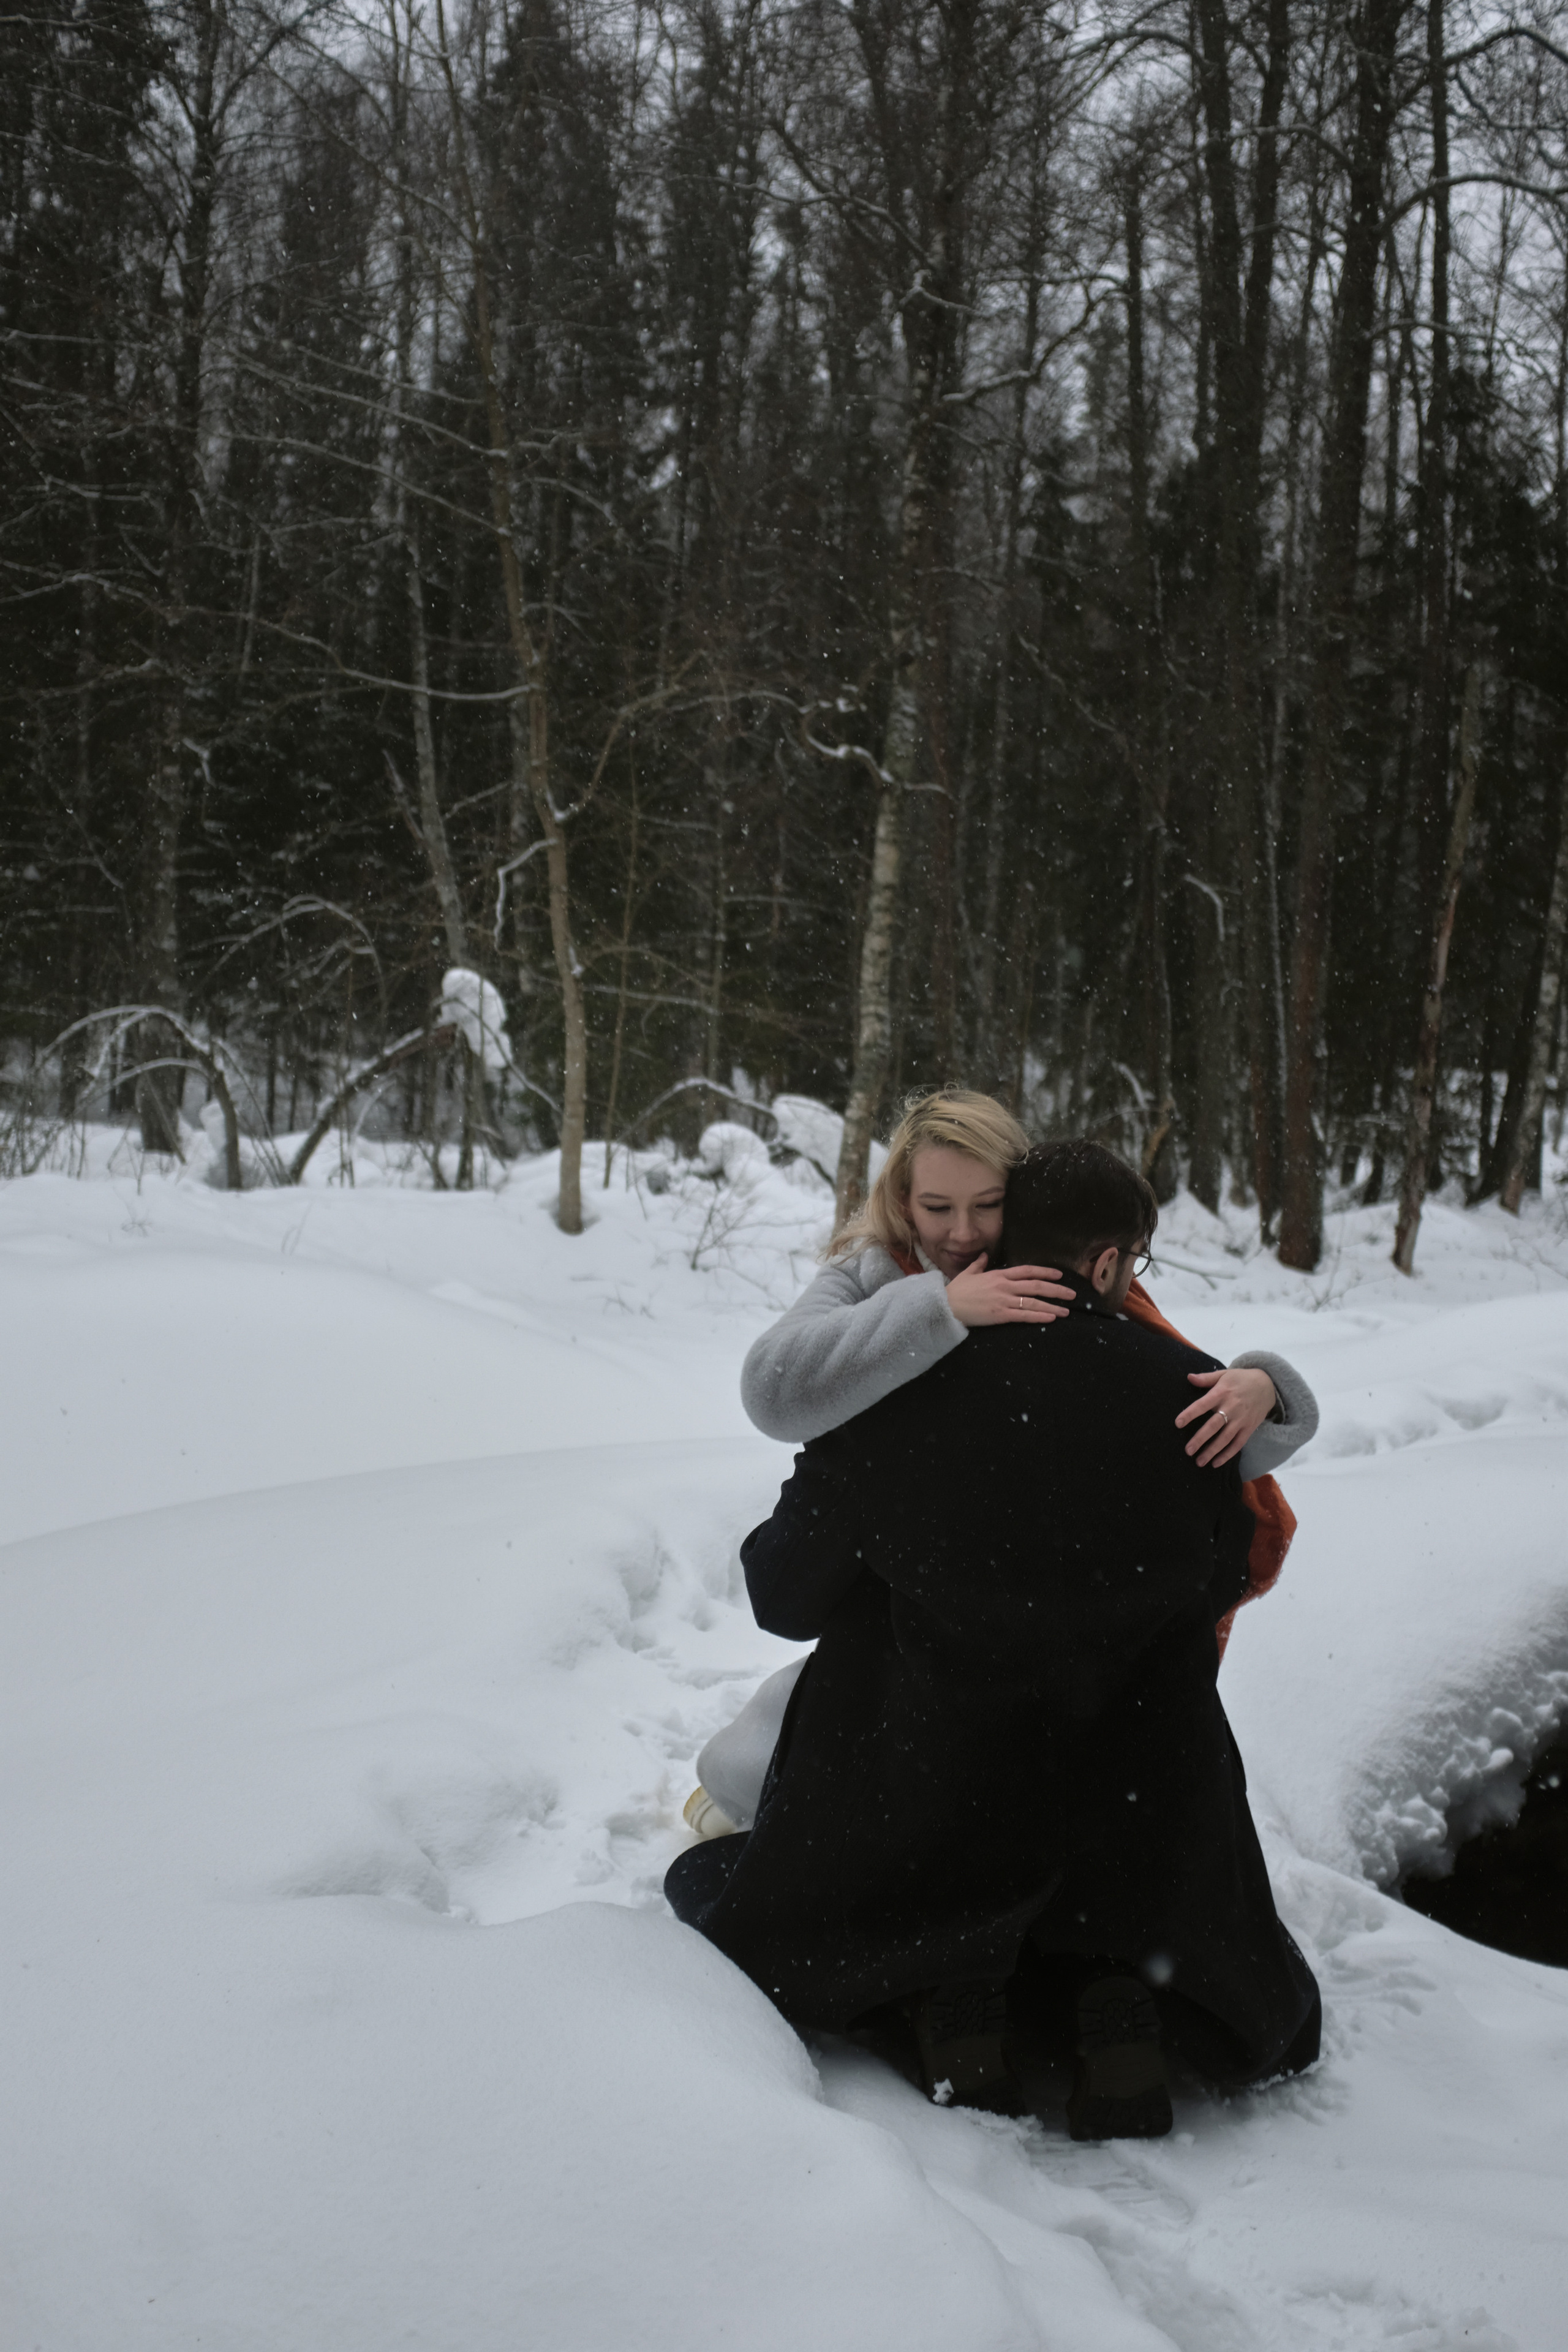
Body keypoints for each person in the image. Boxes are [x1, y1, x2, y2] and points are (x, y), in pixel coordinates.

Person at [665, 1140, 1321, 2139]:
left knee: (725, 1877)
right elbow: (1225, 1573)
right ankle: (1117, 1997)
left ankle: (948, 1995)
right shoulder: (1195, 1397)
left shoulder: (898, 1389)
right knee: (1119, 1765)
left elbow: (785, 1597)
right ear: (1109, 1261)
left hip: (935, 1791)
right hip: (1131, 1811)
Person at [683, 1091, 1317, 1838]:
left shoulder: (1062, 1268)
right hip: (907, 1583)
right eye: (937, 1207)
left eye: (985, 1206)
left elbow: (1178, 1429)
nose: (960, 1232)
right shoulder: (874, 1272)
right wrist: (942, 1310)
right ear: (903, 1202)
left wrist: (1263, 1385)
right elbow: (771, 1392)